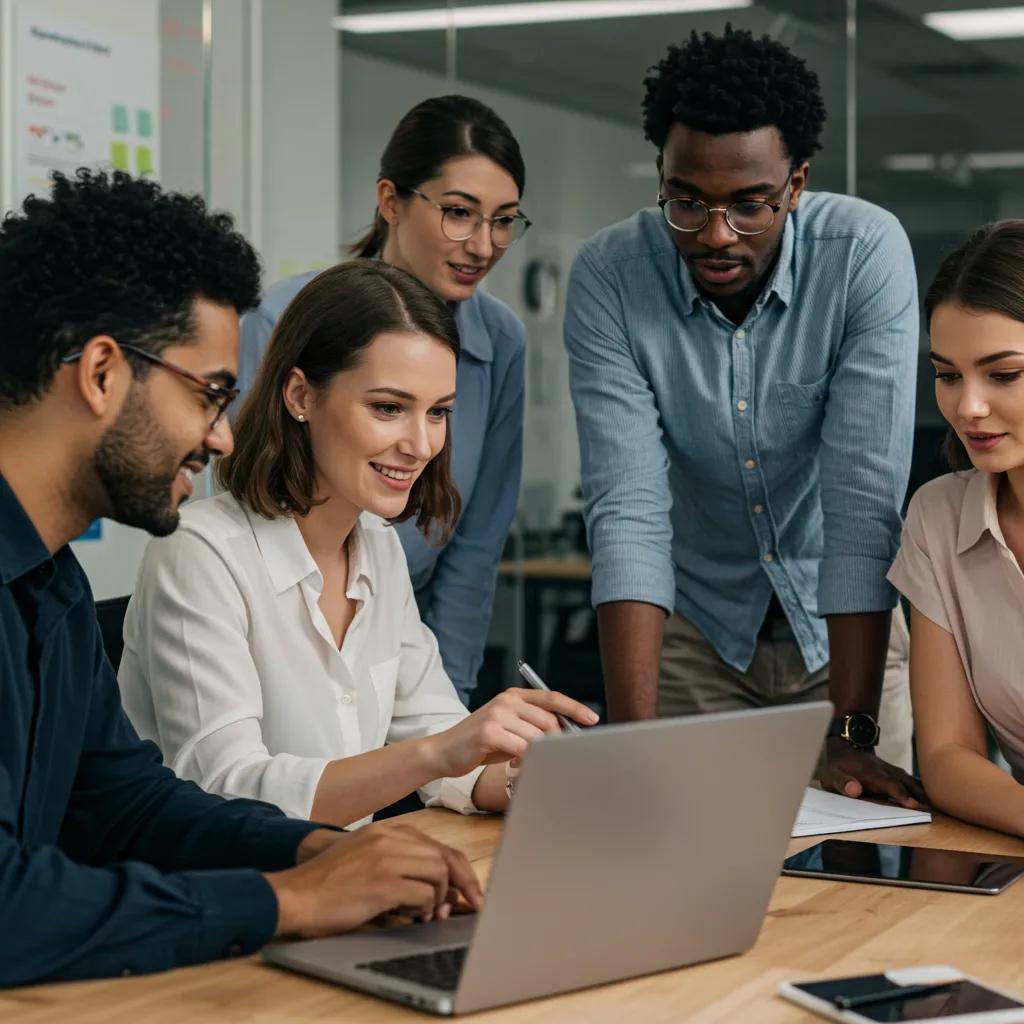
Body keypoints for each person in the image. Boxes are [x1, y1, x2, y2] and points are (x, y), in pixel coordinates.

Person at [0, 170, 483, 986]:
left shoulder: (51, 585)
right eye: (209, 396)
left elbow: (125, 805)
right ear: (103, 373)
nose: (221, 438)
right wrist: (290, 902)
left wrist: (319, 850)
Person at [564, 26, 925, 806]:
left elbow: (862, 508)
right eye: (686, 202)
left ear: (795, 185)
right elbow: (627, 512)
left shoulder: (863, 255)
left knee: (868, 890)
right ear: (661, 175)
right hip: (697, 633)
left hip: (844, 638)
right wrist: (632, 742)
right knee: (680, 868)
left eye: (749, 205)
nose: (717, 235)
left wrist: (851, 733)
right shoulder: (611, 277)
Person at [118, 259, 596, 829]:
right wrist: (439, 752)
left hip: (343, 884)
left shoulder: (377, 545)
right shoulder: (199, 553)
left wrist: (538, 781)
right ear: (301, 395)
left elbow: (440, 738)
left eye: (438, 412)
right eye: (388, 408)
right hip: (225, 896)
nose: (421, 445)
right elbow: (225, 788)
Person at [237, 95, 529, 706]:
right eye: (458, 213)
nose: (482, 245)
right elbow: (251, 516)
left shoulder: (500, 342)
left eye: (503, 220)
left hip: (412, 647)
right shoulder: (282, 321)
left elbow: (474, 548)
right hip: (281, 642)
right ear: (391, 201)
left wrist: (445, 721)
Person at [889, 220, 1024, 836]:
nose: (968, 406)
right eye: (948, 374)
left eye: (1004, 374)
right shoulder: (938, 517)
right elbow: (947, 758)